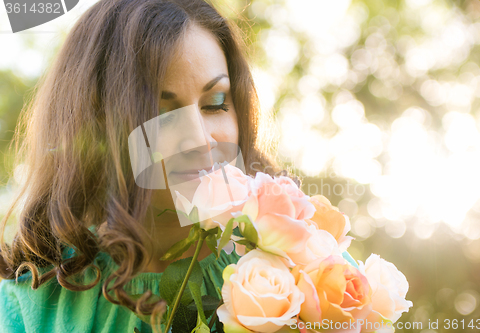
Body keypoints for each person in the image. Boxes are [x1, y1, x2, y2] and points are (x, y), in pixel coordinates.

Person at [0, 0, 299, 332]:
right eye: (161, 115)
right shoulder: (32, 301)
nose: (200, 139)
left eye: (215, 104)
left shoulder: (308, 265)